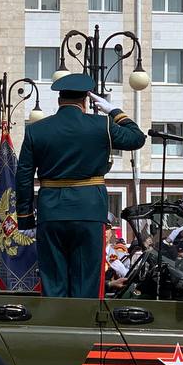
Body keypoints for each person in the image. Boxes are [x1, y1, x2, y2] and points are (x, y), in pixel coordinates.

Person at [15, 73, 147, 298]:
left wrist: (26, 217)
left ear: (59, 101)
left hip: (51, 212)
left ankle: (56, 326)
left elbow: (24, 176)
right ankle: (84, 327)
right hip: (89, 209)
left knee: (53, 276)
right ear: (86, 101)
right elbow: (137, 138)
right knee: (87, 277)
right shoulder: (102, 125)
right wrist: (113, 111)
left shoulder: (36, 130)